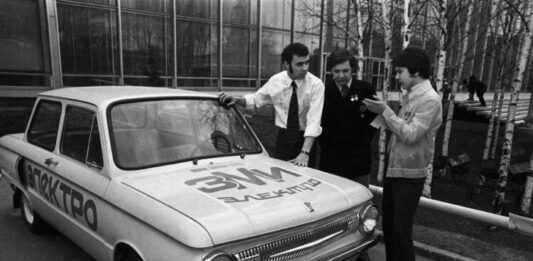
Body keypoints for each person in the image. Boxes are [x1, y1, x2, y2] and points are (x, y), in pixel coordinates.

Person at [363, 46, 443, 261]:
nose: (397, 77)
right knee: (389, 229)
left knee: (400, 233)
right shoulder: (411, 96)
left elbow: (410, 134)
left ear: (415, 71)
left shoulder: (429, 100)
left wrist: (386, 111)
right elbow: (401, 128)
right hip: (395, 170)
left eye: (400, 71)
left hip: (410, 176)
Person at [218, 42, 324, 167]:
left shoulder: (316, 85)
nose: (305, 68)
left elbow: (314, 121)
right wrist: (236, 99)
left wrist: (305, 152)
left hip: (306, 142)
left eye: (307, 62)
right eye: (299, 64)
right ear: (286, 64)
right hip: (283, 140)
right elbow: (257, 99)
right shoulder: (276, 81)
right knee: (280, 178)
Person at [319, 48, 377, 187]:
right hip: (331, 160)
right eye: (336, 71)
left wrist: (364, 139)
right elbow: (318, 122)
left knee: (359, 199)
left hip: (359, 160)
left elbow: (376, 119)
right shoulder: (323, 91)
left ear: (353, 70)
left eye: (345, 71)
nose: (341, 75)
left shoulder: (366, 89)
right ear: (331, 71)